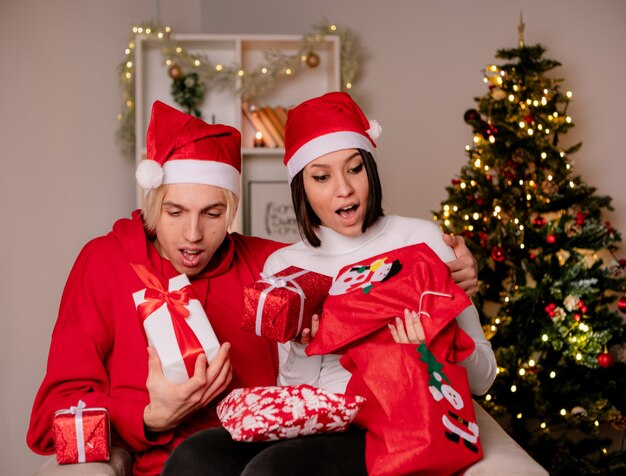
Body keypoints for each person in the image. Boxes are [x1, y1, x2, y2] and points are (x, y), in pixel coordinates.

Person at [163, 93, 493, 475]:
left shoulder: (423, 242)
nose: (344, 189)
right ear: (301, 187)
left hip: (384, 422)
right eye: (322, 177)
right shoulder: (287, 265)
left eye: (354, 169)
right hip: (315, 416)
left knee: (271, 471)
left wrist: (430, 349)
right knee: (195, 456)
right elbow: (292, 391)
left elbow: (484, 376)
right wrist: (304, 346)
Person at [27, 101, 285, 476]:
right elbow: (57, 411)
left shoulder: (266, 265)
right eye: (175, 212)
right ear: (152, 203)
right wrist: (149, 418)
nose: (193, 235)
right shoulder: (107, 262)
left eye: (212, 214)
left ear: (230, 211)